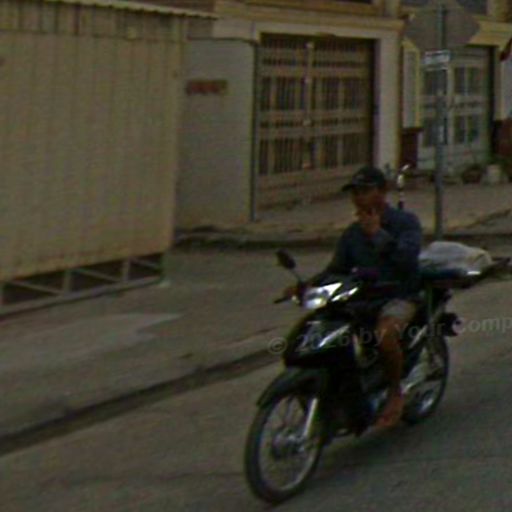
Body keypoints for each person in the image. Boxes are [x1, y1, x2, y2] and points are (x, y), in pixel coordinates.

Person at [288, 166, 423, 428]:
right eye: (355, 193)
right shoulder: (352, 234)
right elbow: (336, 269)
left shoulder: (405, 222)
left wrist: (377, 234)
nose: (359, 198)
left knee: (385, 334)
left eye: (365, 191)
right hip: (361, 298)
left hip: (399, 295)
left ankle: (395, 392)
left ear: (382, 191)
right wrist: (306, 286)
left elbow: (407, 259)